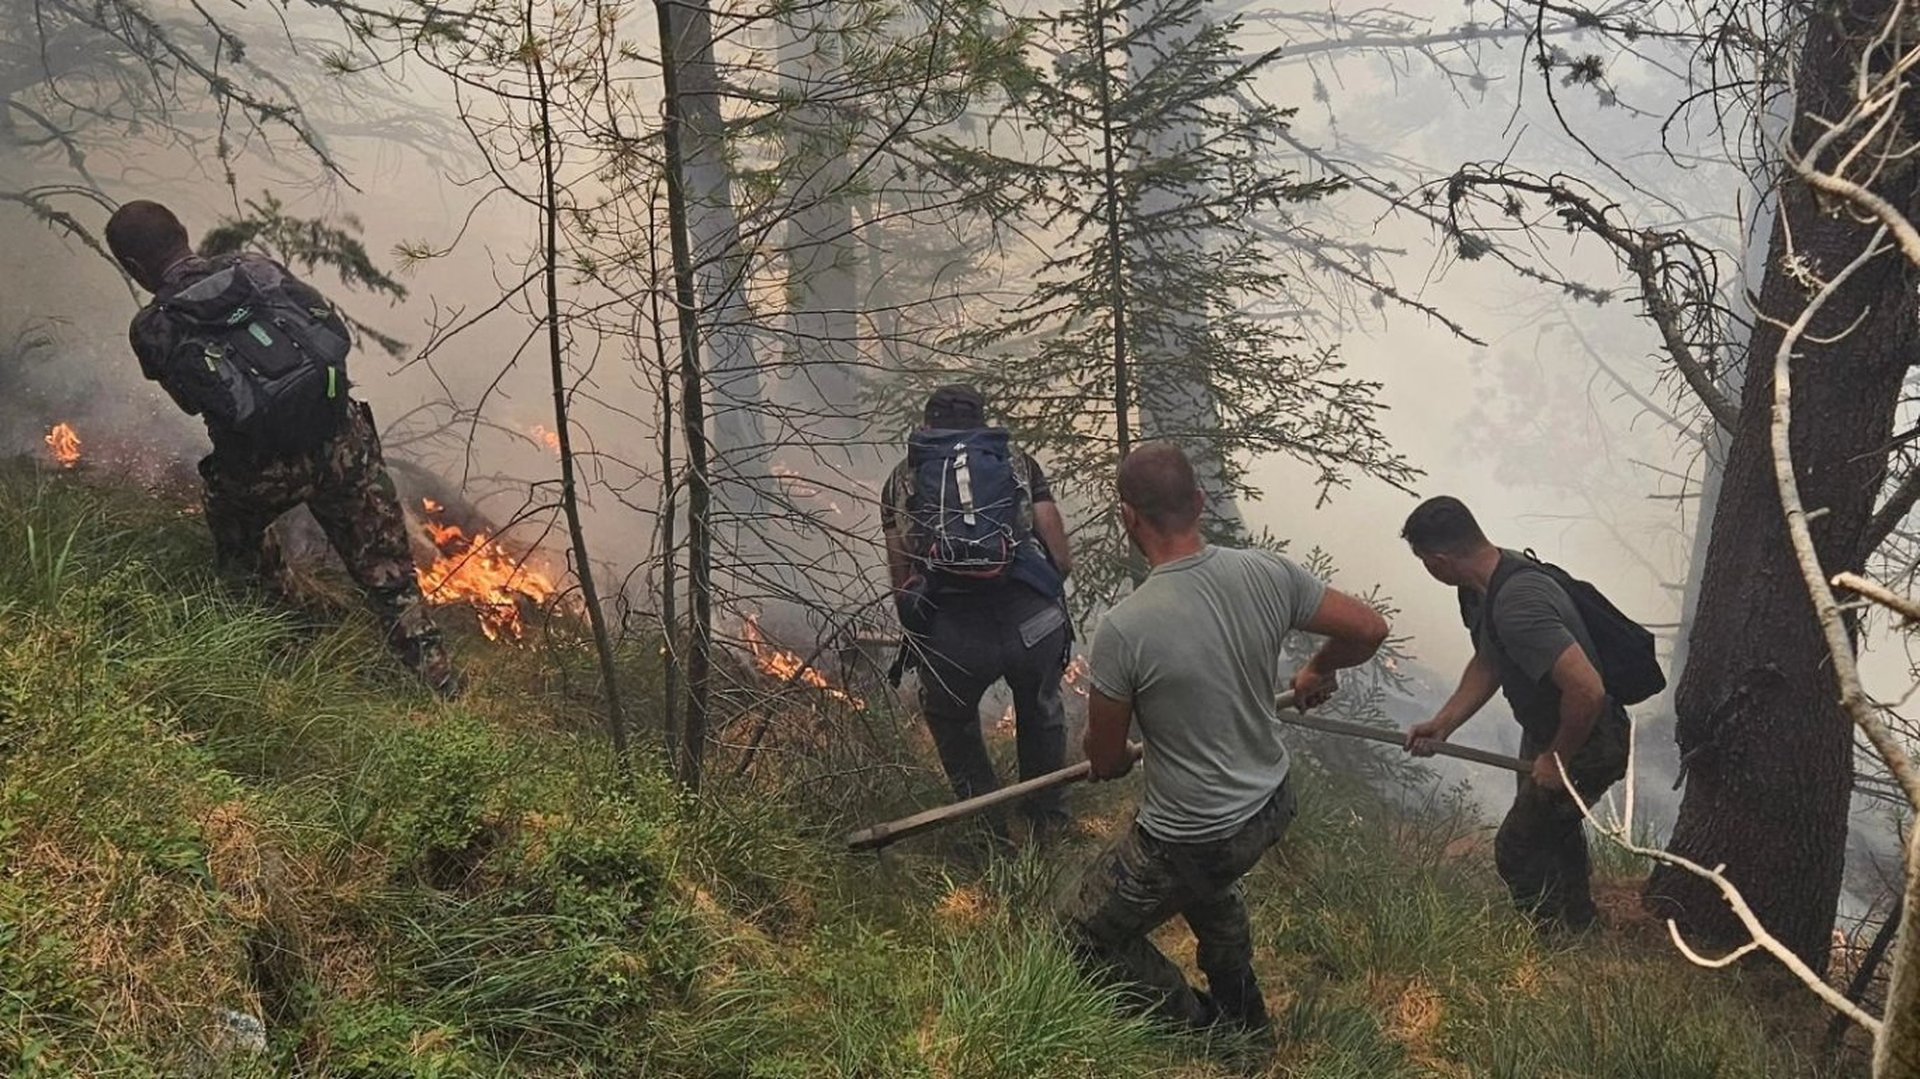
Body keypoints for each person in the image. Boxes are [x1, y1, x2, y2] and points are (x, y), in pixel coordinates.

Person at [1061, 442, 1389, 1036]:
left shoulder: (1125, 630)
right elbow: (1369, 628)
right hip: (1269, 805)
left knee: (1079, 933)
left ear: (1129, 517)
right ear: (1200, 502)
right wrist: (1322, 669)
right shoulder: (1269, 572)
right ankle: (1247, 1017)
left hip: (1194, 834)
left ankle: (1202, 1028)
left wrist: (1103, 754)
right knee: (1203, 879)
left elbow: (1107, 762)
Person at [105, 199, 459, 699]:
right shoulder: (253, 266)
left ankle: (281, 624)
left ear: (134, 268)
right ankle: (440, 687)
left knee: (234, 529)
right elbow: (327, 331)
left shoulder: (152, 327)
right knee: (392, 581)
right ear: (186, 231)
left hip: (259, 470)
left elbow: (190, 402)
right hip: (341, 440)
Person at [1400, 495, 1629, 934]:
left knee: (1518, 846)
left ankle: (1548, 943)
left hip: (1587, 738)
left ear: (1440, 559)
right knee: (1553, 831)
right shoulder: (1485, 586)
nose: (1426, 569)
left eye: (1424, 560)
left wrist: (1558, 759)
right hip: (1552, 731)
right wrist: (1444, 723)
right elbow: (1490, 661)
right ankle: (1580, 926)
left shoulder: (1518, 603)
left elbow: (1587, 690)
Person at [880, 384, 1076, 845]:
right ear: (981, 423)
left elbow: (900, 574)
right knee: (1041, 708)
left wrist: (923, 632)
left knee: (951, 720)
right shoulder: (1017, 462)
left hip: (955, 635)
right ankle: (1048, 820)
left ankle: (989, 830)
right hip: (1032, 623)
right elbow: (1061, 557)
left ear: (926, 425)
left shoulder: (902, 476)